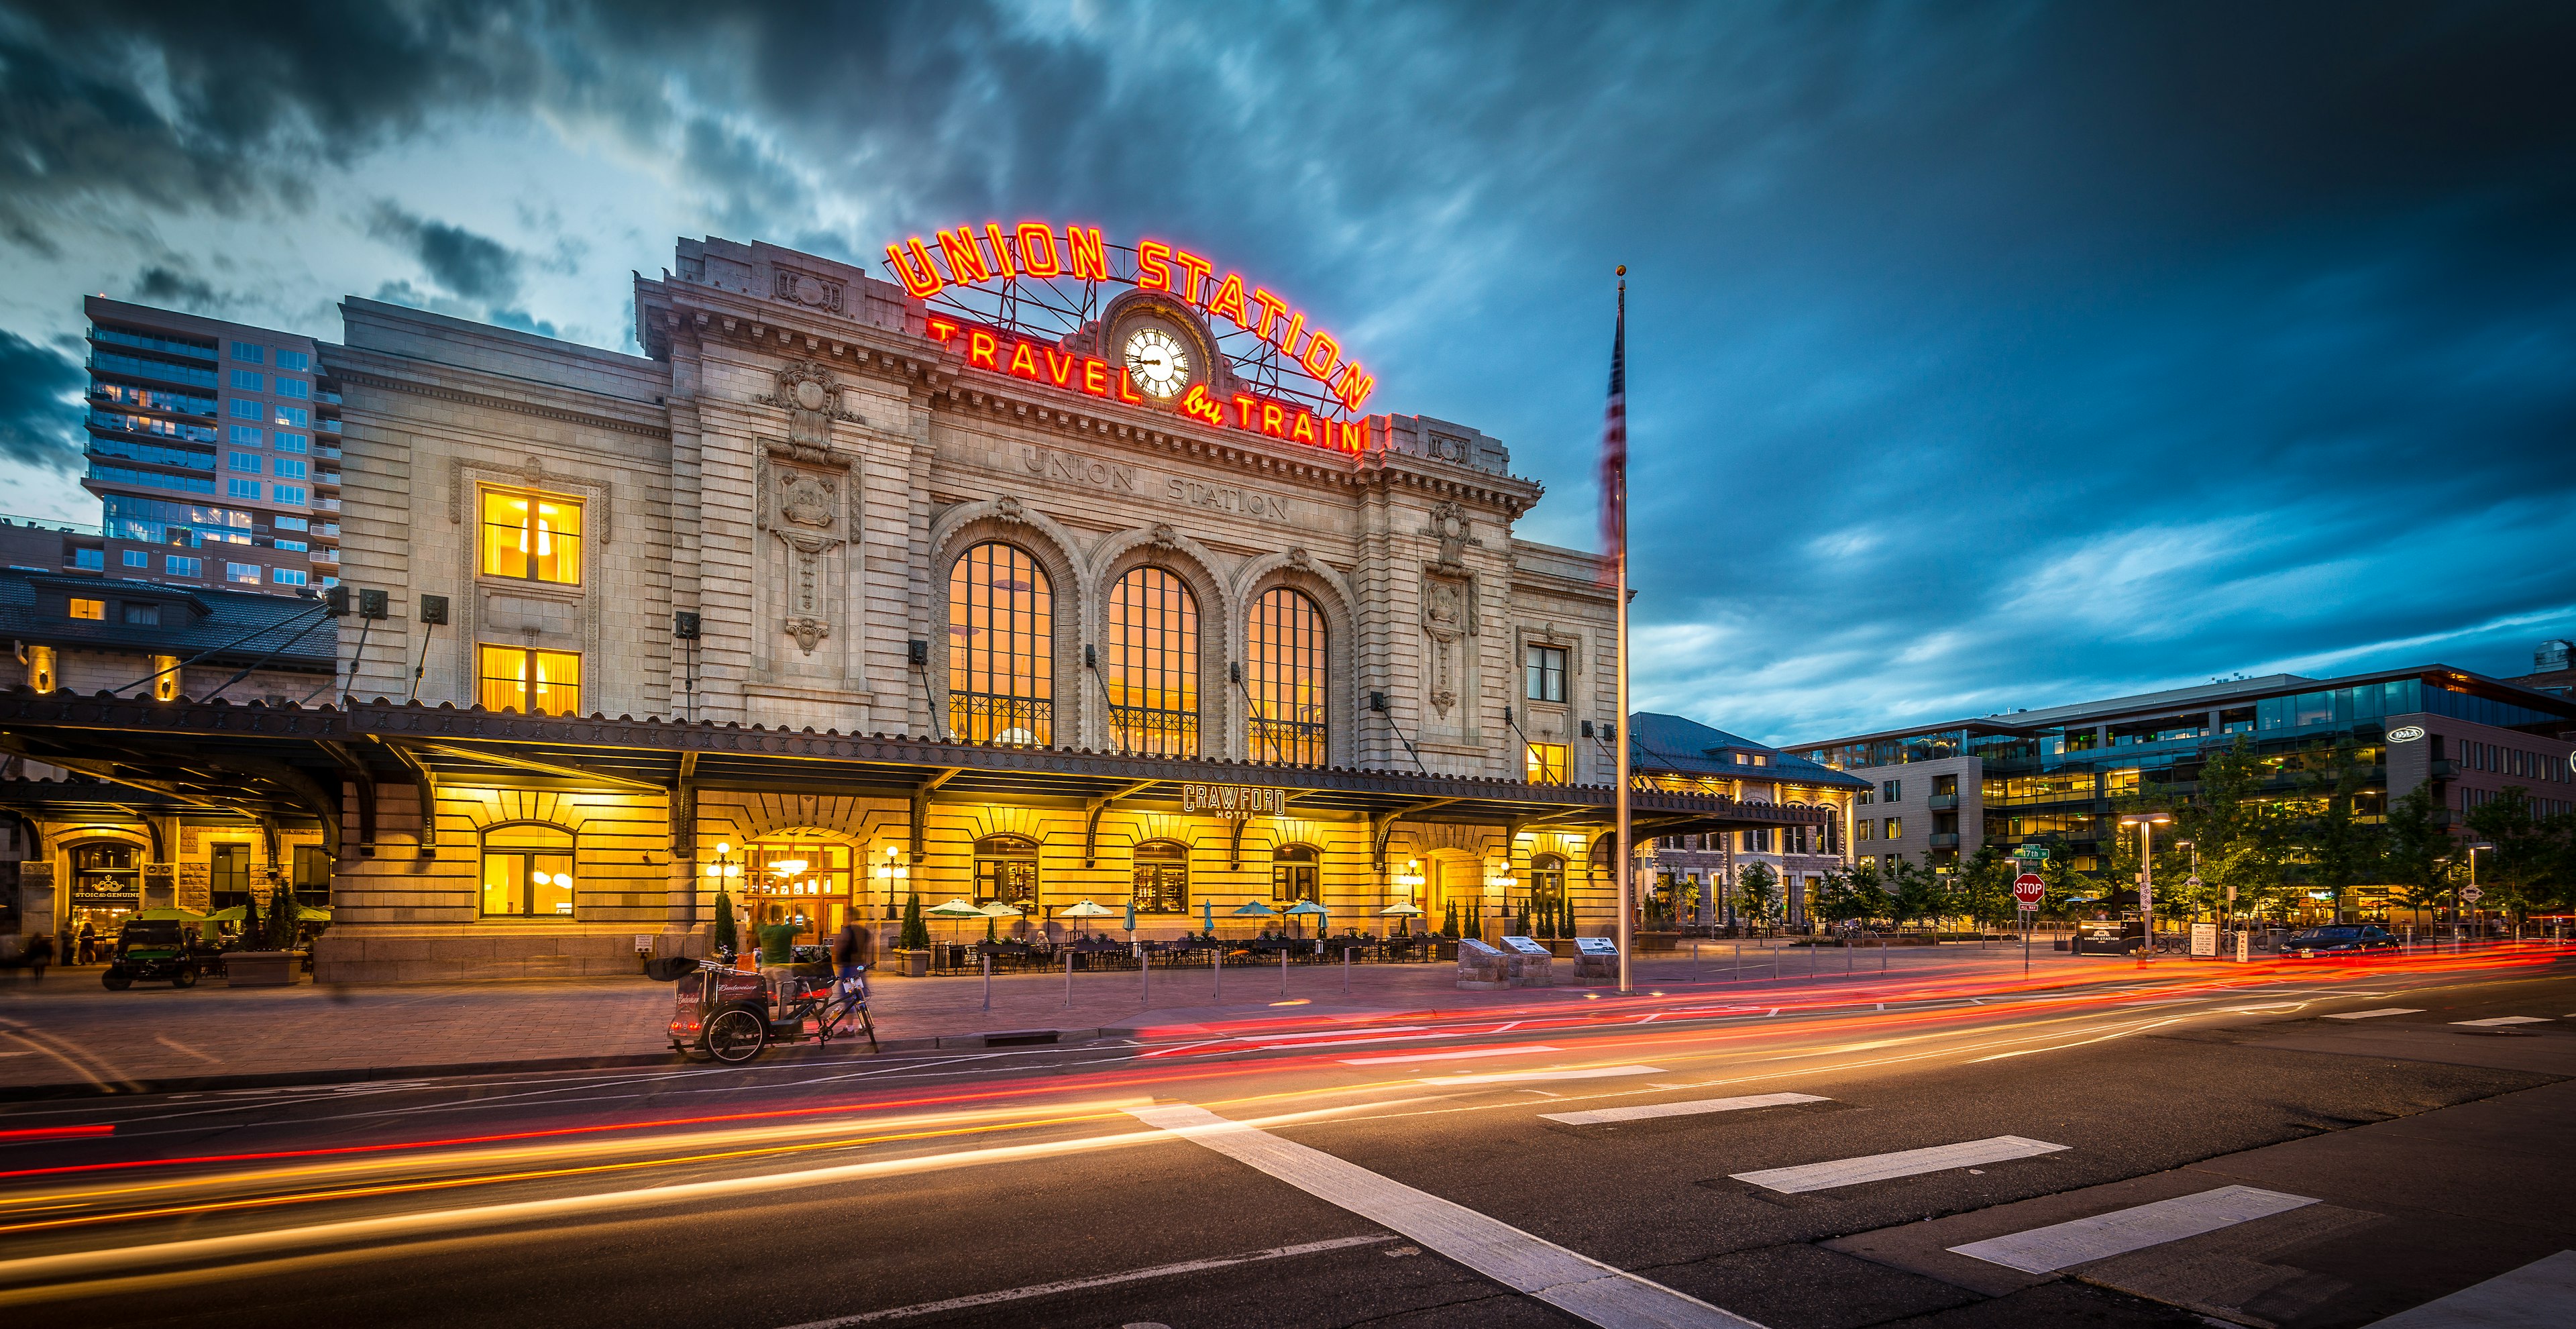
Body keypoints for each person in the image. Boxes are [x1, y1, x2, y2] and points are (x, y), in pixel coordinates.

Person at [832, 916, 873, 1003]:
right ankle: (862, 1010)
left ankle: (849, 1014)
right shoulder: (864, 931)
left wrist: (838, 957)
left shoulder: (848, 930)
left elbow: (841, 944)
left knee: (847, 994)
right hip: (859, 965)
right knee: (860, 992)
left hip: (848, 965)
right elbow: (868, 948)